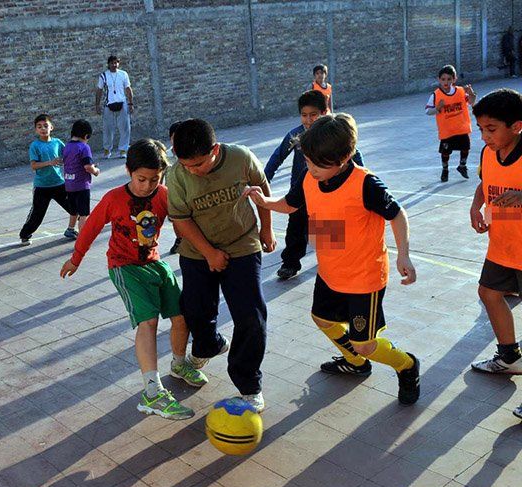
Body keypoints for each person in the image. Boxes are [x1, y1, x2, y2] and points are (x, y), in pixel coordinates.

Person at [247, 114, 421, 405]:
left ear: (344, 157)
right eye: (308, 161)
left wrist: (404, 253)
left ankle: (406, 365)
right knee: (322, 318)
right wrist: (265, 203)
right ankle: (354, 363)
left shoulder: (366, 184)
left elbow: (398, 215)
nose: (311, 169)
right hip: (330, 272)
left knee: (364, 343)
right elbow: (291, 204)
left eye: (317, 164)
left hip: (363, 278)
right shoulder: (309, 177)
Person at [60, 138, 204, 420]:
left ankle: (179, 363)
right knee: (148, 322)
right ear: (128, 171)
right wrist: (75, 258)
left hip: (155, 263)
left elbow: (184, 221)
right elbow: (90, 228)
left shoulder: (163, 195)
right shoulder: (114, 198)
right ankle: (152, 392)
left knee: (181, 315)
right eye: (141, 179)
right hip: (124, 267)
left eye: (154, 179)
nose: (147, 185)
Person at [167, 119, 275, 412]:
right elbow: (181, 219)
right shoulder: (176, 174)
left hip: (242, 243)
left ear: (215, 149)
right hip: (197, 252)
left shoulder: (240, 157)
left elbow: (261, 188)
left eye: (198, 164)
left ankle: (249, 384)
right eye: (186, 164)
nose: (192, 170)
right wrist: (209, 253)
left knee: (251, 317)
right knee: (195, 311)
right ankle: (208, 345)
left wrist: (267, 228)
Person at [264, 90, 365, 280]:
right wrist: (264, 180)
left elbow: (353, 154)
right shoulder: (295, 135)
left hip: (328, 193)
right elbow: (276, 157)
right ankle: (290, 263)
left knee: (325, 232)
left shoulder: (334, 135)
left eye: (313, 115)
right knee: (295, 229)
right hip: (300, 193)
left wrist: (361, 181)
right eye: (304, 115)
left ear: (324, 112)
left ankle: (331, 260)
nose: (308, 120)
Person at [467, 89, 522, 420]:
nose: (485, 136)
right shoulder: (490, 154)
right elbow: (484, 183)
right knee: (488, 293)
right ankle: (509, 357)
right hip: (503, 246)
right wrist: (476, 206)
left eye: (491, 129)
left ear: (516, 126)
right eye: (481, 129)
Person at [20, 113, 79, 244]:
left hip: (59, 184)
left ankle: (71, 230)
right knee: (37, 215)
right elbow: (34, 165)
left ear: (51, 127)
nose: (43, 129)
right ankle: (25, 234)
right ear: (36, 130)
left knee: (75, 208)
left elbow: (68, 156)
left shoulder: (57, 142)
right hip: (42, 186)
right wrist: (50, 162)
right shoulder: (35, 146)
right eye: (39, 126)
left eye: (45, 126)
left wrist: (84, 163)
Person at [424, 65, 477, 182]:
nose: (446, 82)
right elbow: (427, 111)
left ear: (454, 79)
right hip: (447, 130)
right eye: (443, 79)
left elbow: (472, 103)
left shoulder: (461, 91)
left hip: (461, 127)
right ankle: (445, 169)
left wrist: (472, 93)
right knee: (445, 152)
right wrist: (437, 108)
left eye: (449, 79)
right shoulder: (436, 95)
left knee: (465, 148)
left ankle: (462, 166)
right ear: (439, 79)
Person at [62, 119, 100, 233]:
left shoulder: (67, 146)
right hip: (81, 185)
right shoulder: (84, 147)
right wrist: (96, 171)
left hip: (69, 184)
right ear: (86, 135)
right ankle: (83, 235)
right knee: (83, 213)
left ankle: (70, 229)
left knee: (73, 210)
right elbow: (88, 166)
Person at [95, 55, 134, 159]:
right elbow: (99, 90)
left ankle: (123, 150)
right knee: (108, 128)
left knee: (125, 128)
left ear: (118, 63)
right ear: (108, 64)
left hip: (122, 103)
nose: (114, 65)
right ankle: (107, 150)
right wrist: (97, 105)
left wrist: (131, 103)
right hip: (109, 104)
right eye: (112, 63)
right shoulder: (103, 75)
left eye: (116, 62)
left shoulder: (123, 74)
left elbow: (128, 88)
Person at [166, 120, 183, 255]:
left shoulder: (191, 151)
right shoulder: (165, 156)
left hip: (187, 190)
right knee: (175, 219)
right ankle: (180, 239)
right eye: (174, 137)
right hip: (171, 192)